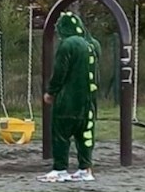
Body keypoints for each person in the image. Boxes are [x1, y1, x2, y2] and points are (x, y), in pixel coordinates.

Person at [37, 11, 100, 182]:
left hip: (68, 100)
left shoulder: (68, 45)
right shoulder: (93, 44)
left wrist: (51, 91)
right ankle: (85, 169)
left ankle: (60, 169)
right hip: (89, 102)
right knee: (85, 134)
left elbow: (60, 72)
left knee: (61, 134)